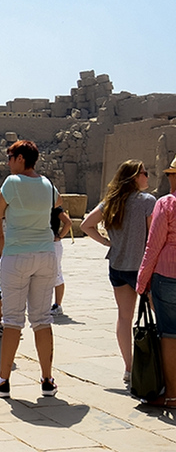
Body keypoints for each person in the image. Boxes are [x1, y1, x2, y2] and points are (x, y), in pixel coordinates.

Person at [0, 140, 62, 398]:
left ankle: (3, 380)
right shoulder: (48, 184)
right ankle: (47, 379)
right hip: (45, 253)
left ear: (20, 158)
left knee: (12, 321)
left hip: (17, 254)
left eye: (10, 157)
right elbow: (57, 202)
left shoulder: (12, 183)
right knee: (42, 319)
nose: (8, 162)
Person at [81, 159, 155, 384]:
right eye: (145, 173)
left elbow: (85, 225)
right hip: (140, 267)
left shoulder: (110, 202)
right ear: (135, 177)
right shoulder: (147, 201)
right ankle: (160, 365)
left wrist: (107, 242)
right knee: (161, 316)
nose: (147, 177)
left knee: (124, 317)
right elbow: (153, 236)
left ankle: (129, 368)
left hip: (118, 266)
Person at [137, 154, 176, 408]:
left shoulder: (166, 203)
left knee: (170, 335)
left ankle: (172, 395)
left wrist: (141, 282)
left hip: (168, 277)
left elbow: (153, 246)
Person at [50, 205, 72, 316]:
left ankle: (57, 305)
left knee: (56, 273)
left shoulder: (55, 208)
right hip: (41, 242)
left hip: (53, 244)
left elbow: (68, 222)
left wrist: (59, 236)